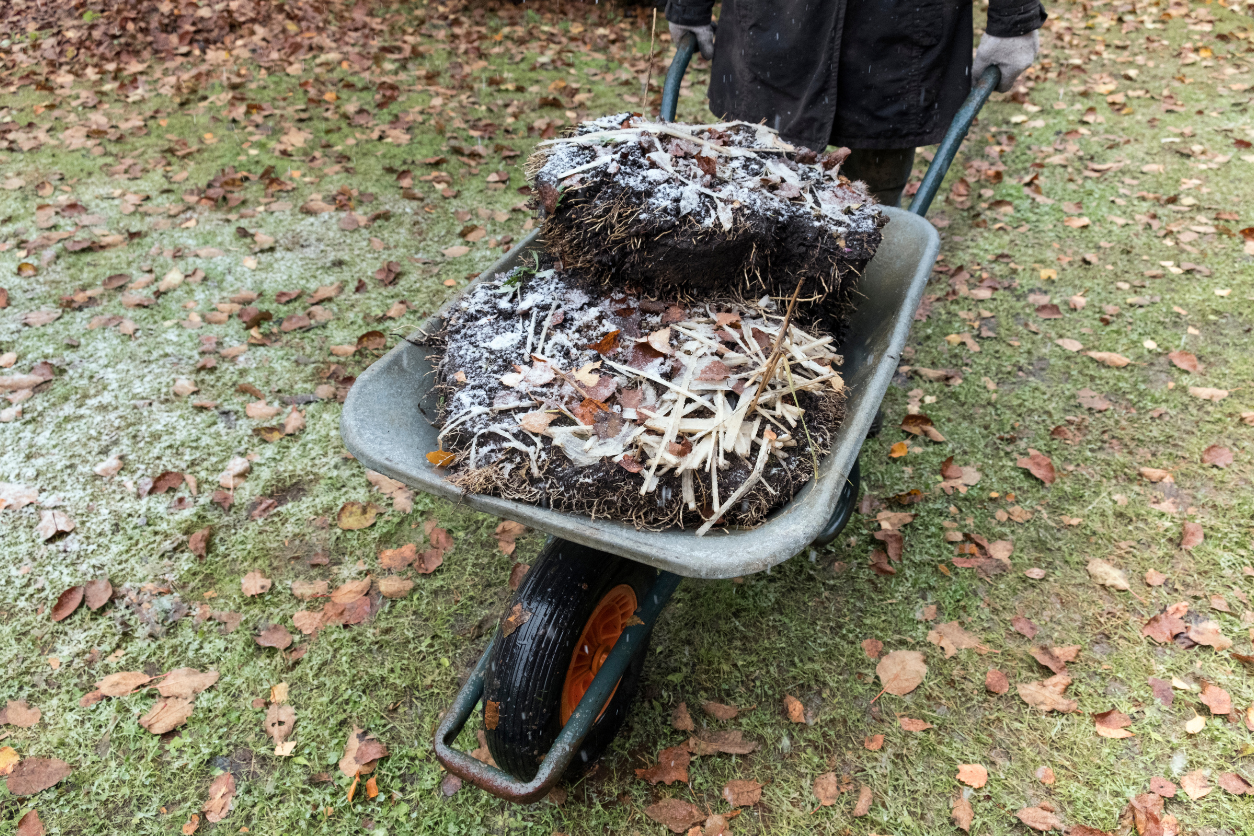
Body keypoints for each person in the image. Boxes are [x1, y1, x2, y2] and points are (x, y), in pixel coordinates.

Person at [664, 0, 1047, 207]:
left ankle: (863, 284)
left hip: (901, 31)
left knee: (874, 196)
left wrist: (1014, 18)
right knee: (757, 187)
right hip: (775, 24)